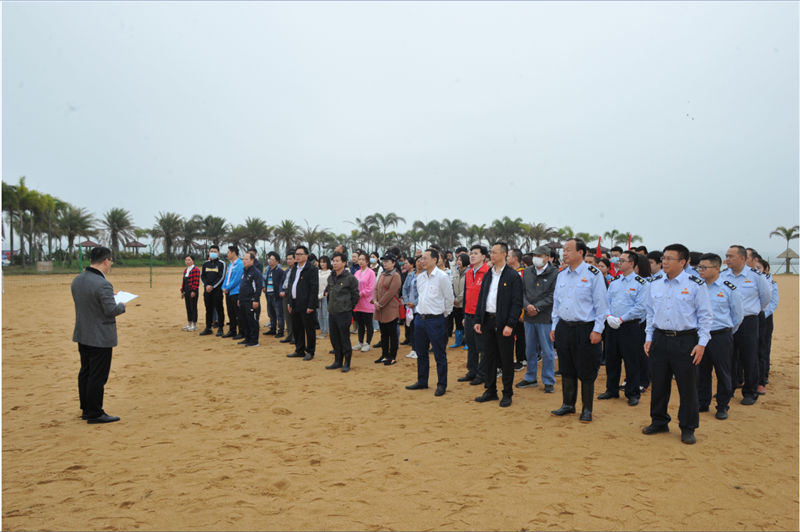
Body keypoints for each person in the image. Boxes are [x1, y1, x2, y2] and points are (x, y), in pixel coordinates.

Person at [643, 244, 713, 445]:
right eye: (663, 258)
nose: (664, 262)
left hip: (685, 340)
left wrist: (701, 344)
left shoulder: (695, 284)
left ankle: (688, 427)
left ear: (682, 262)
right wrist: (649, 338)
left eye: (669, 258)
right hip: (660, 338)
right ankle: (659, 421)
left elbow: (706, 316)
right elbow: (650, 313)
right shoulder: (655, 283)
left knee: (687, 386)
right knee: (659, 384)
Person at [550, 238, 609, 423]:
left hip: (585, 328)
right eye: (564, 250)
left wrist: (598, 330)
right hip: (564, 327)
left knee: (586, 369)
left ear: (581, 252)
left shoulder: (593, 274)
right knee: (566, 367)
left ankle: (587, 409)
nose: (564, 253)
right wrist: (554, 326)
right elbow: (556, 303)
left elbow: (601, 305)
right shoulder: (562, 274)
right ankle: (568, 404)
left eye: (568, 250)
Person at [71, 246, 127, 424]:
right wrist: (121, 304)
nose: (110, 264)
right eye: (110, 261)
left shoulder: (78, 279)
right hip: (100, 336)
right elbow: (110, 310)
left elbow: (89, 302)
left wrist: (109, 297)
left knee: (86, 372)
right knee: (97, 375)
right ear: (106, 261)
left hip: (83, 332)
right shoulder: (103, 284)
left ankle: (87, 409)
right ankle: (95, 412)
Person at [473, 242, 523, 407]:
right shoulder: (488, 274)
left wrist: (510, 324)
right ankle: (490, 390)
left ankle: (507, 393)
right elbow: (482, 298)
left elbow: (517, 303)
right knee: (489, 358)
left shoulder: (512, 276)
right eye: (491, 252)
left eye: (494, 252)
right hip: (488, 321)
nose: (491, 255)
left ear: (504, 254)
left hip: (504, 324)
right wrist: (478, 320)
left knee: (506, 360)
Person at [721, 245, 771, 405]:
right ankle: (727, 389)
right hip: (728, 321)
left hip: (748, 321)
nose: (727, 259)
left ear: (742, 258)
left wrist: (752, 310)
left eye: (731, 256)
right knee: (728, 357)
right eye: (726, 256)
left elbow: (766, 297)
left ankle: (750, 391)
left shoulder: (756, 276)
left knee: (749, 357)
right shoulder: (723, 275)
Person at [696, 253, 743, 420]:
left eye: (704, 267)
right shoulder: (696, 286)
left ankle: (722, 405)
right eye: (699, 267)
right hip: (700, 336)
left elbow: (738, 316)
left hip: (720, 335)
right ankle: (703, 402)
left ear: (717, 268)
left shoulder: (728, 288)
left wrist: (726, 332)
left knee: (723, 372)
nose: (700, 270)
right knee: (702, 371)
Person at [599, 250, 649, 406]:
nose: (618, 263)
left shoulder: (641, 283)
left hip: (629, 326)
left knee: (631, 360)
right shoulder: (615, 282)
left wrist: (621, 319)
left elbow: (640, 307)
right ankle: (611, 389)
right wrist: (609, 316)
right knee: (612, 359)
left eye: (622, 260)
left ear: (632, 263)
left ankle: (632, 392)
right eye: (618, 260)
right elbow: (606, 301)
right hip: (612, 325)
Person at [406, 248, 454, 397]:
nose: (422, 261)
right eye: (421, 258)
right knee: (421, 353)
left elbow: (449, 298)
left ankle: (441, 384)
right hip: (420, 319)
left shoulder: (442, 277)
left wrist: (444, 314)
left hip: (436, 320)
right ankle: (422, 381)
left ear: (435, 260)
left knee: (439, 354)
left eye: (425, 258)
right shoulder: (420, 277)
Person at [517, 245, 558, 393]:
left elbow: (553, 295)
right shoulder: (527, 271)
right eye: (535, 255)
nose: (536, 258)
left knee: (547, 350)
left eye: (540, 256)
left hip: (545, 317)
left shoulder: (555, 273)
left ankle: (548, 380)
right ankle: (530, 377)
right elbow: (521, 292)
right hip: (529, 317)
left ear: (547, 257)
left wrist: (537, 307)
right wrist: (527, 306)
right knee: (530, 349)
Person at [459, 244, 490, 385]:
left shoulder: (488, 272)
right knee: (471, 345)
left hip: (481, 317)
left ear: (483, 257)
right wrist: (464, 315)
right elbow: (466, 295)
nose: (472, 256)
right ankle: (472, 371)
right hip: (468, 314)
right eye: (471, 253)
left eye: (476, 253)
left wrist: (482, 317)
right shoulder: (468, 273)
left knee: (482, 347)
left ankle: (482, 374)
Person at [326, 252, 361, 372]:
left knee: (344, 338)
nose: (334, 263)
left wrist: (348, 307)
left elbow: (355, 296)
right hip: (332, 312)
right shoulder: (331, 277)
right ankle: (337, 361)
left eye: (337, 261)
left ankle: (347, 362)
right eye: (333, 261)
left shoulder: (350, 278)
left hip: (344, 313)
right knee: (334, 338)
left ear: (344, 263)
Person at [286, 245, 319, 361]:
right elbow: (291, 285)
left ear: (306, 256)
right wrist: (289, 302)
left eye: (300, 254)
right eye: (296, 254)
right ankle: (299, 350)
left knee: (309, 329)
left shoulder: (311, 269)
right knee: (297, 327)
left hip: (306, 304)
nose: (298, 256)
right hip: (295, 302)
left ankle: (310, 351)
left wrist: (311, 305)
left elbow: (314, 288)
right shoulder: (294, 268)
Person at [373, 253, 403, 365]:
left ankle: (392, 356)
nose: (385, 263)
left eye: (387, 261)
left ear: (393, 263)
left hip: (390, 308)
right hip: (380, 308)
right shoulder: (382, 274)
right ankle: (384, 355)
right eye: (384, 261)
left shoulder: (396, 276)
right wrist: (375, 301)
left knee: (392, 334)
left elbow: (391, 292)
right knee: (383, 334)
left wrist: (380, 303)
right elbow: (376, 288)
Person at [756, 258, 779, 394]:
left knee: (763, 347)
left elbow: (773, 302)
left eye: (759, 268)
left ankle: (763, 376)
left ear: (766, 269)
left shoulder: (772, 283)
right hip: (750, 318)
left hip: (764, 318)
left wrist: (762, 314)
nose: (757, 270)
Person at [237, 251, 264, 347]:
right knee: (245, 321)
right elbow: (242, 286)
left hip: (251, 301)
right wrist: (239, 299)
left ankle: (254, 341)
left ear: (252, 260)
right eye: (243, 259)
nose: (244, 261)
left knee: (252, 321)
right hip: (243, 300)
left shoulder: (255, 272)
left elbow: (258, 287)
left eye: (246, 259)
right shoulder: (245, 271)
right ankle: (247, 338)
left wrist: (256, 300)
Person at [199, 245, 226, 337]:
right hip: (207, 291)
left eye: (215, 251)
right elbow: (202, 276)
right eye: (211, 251)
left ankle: (220, 328)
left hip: (217, 291)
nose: (213, 253)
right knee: (208, 309)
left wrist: (213, 286)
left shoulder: (222, 263)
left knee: (219, 309)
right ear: (208, 252)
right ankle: (208, 328)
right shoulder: (205, 263)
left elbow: (221, 277)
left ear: (218, 253)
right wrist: (206, 285)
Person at [353, 252, 376, 352]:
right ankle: (360, 342)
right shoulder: (357, 273)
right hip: (358, 303)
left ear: (367, 261)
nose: (361, 261)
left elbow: (371, 288)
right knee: (360, 324)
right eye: (360, 259)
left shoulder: (371, 273)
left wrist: (360, 293)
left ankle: (367, 343)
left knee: (368, 324)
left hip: (367, 302)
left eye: (363, 260)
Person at [221, 245, 244, 339]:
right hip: (228, 292)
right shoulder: (231, 264)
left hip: (235, 292)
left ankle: (241, 332)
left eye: (228, 252)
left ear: (233, 253)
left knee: (238, 313)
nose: (227, 254)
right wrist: (223, 287)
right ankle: (232, 330)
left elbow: (236, 279)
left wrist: (227, 288)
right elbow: (227, 277)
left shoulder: (240, 264)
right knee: (230, 312)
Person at [402, 257, 422, 359]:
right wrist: (406, 301)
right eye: (418, 261)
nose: (420, 263)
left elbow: (423, 292)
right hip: (409, 306)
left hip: (419, 307)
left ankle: (419, 350)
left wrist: (414, 303)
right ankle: (413, 349)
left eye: (422, 260)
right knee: (411, 328)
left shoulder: (425, 275)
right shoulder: (411, 275)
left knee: (419, 329)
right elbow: (404, 288)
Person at [262, 251, 286, 337]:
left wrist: (279, 292)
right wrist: (264, 287)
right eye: (269, 259)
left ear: (277, 261)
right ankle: (272, 329)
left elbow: (282, 283)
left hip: (276, 296)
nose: (270, 261)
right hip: (269, 295)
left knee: (279, 314)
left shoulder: (280, 271)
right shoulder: (268, 270)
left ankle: (280, 331)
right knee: (271, 313)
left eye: (272, 259)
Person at [448, 254, 468, 348]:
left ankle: (467, 342)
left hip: (465, 302)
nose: (458, 262)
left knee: (466, 323)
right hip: (455, 303)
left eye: (460, 260)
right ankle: (458, 341)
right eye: (457, 260)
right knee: (458, 322)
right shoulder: (455, 272)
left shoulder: (469, 273)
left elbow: (467, 289)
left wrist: (458, 299)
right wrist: (453, 298)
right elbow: (451, 286)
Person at [180, 255, 200, 332]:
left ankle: (194, 325)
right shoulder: (186, 270)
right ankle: (189, 323)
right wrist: (182, 291)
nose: (187, 261)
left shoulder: (196, 270)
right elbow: (184, 282)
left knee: (193, 308)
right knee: (188, 307)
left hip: (192, 291)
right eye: (186, 260)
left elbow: (196, 282)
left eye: (189, 260)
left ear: (193, 261)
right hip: (186, 291)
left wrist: (193, 291)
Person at [279, 250, 295, 344]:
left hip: (291, 295)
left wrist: (286, 292)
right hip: (284, 295)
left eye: (290, 259)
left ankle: (295, 336)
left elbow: (293, 284)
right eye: (287, 259)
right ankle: (289, 335)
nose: (288, 261)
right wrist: (280, 290)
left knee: (293, 317)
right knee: (287, 316)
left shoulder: (296, 271)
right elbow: (281, 282)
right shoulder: (287, 271)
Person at [317, 256, 332, 339]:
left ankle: (327, 331)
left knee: (326, 314)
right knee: (319, 314)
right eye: (321, 262)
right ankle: (322, 330)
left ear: (327, 263)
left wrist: (324, 294)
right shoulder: (318, 272)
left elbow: (329, 285)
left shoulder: (330, 273)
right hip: (317, 296)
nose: (322, 264)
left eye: (324, 262)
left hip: (326, 296)